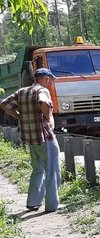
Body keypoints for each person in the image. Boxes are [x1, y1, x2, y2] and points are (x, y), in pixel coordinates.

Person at [0, 68, 61, 212]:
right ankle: (52, 205)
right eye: (50, 80)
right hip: (45, 136)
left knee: (38, 170)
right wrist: (48, 117)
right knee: (52, 170)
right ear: (45, 79)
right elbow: (44, 102)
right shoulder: (42, 90)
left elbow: (4, 104)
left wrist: (19, 116)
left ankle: (33, 201)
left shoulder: (22, 91)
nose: (51, 83)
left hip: (30, 138)